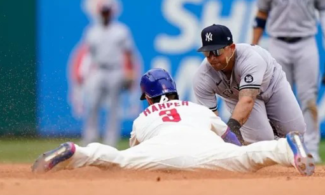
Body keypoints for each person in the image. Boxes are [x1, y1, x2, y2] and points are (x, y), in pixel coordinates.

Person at [32, 68, 314, 176]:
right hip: (209, 152)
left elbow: (135, 148)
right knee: (250, 156)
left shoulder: (144, 116)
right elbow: (230, 138)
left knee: (116, 159)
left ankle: (76, 151)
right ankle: (286, 148)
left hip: (156, 154)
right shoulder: (196, 107)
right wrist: (232, 152)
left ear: (149, 98)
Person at [193, 24, 306, 147]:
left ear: (232, 47)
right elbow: (211, 118)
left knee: (295, 134)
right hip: (236, 98)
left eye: (217, 51)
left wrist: (231, 129)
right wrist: (220, 141)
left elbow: (247, 100)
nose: (212, 58)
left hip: (272, 86)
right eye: (207, 53)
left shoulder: (250, 59)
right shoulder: (203, 77)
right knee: (261, 141)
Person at [252, 0, 325, 162]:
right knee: (275, 96)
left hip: (306, 42)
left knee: (308, 96)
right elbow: (261, 15)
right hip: (278, 43)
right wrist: (253, 48)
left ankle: (311, 149)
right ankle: (279, 147)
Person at [79, 2, 136, 147]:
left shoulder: (120, 30)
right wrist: (84, 71)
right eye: (103, 12)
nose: (105, 15)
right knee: (92, 104)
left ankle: (111, 140)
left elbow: (129, 53)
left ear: (111, 13)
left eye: (107, 12)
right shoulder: (92, 31)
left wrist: (130, 72)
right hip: (98, 70)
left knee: (113, 107)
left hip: (115, 70)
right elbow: (89, 54)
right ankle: (89, 137)